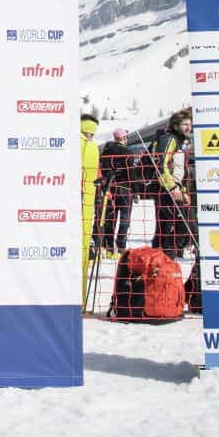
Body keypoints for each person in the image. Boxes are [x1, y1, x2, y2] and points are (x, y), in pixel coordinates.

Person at [150, 108, 193, 259]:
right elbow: (160, 165)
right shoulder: (169, 139)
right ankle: (165, 260)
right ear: (176, 126)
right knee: (180, 226)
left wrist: (183, 191)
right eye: (184, 124)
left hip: (175, 190)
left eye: (190, 124)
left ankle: (160, 261)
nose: (189, 127)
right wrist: (173, 187)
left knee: (166, 228)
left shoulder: (180, 142)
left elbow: (180, 171)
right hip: (167, 190)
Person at [96, 128, 134, 256]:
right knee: (125, 219)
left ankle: (109, 249)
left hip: (109, 189)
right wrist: (137, 191)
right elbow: (131, 173)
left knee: (110, 219)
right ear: (123, 138)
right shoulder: (128, 152)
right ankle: (121, 247)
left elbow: (103, 170)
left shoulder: (105, 152)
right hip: (125, 189)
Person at [80, 114, 101, 303]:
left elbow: (96, 172)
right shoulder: (85, 146)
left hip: (87, 200)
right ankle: (79, 298)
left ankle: (80, 298)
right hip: (82, 202)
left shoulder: (91, 147)